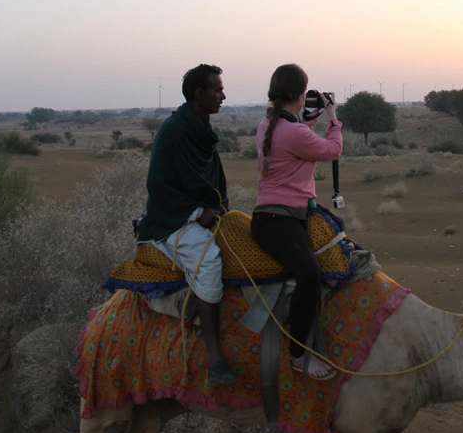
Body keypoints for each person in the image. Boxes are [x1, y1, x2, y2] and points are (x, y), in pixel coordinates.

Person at [136, 64, 236, 385]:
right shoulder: (174, 131)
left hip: (206, 211)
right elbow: (160, 187)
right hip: (173, 220)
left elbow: (212, 179)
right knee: (208, 263)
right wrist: (196, 214)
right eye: (217, 90)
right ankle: (214, 356)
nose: (223, 95)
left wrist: (219, 207)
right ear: (199, 94)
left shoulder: (201, 130)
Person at [251, 64, 343, 380]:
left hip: (273, 218)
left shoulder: (268, 124)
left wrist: (307, 121)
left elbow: (294, 137)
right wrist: (333, 117)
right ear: (301, 94)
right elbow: (334, 150)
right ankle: (298, 356)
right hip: (281, 220)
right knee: (309, 275)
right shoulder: (295, 132)